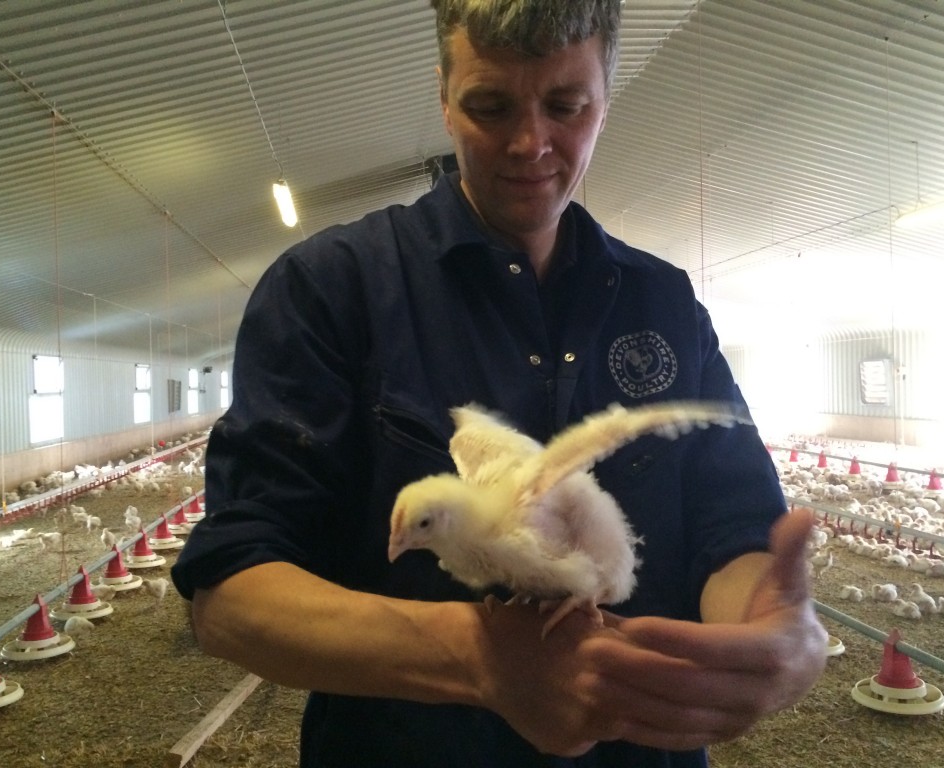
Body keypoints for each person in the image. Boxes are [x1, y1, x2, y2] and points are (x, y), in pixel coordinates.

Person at [171, 1, 827, 765]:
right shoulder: (332, 290)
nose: (529, 142)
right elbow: (230, 595)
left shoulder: (666, 303)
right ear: (444, 102)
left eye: (564, 106)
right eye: (490, 105)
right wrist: (479, 658)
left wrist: (771, 630)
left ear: (605, 104)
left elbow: (734, 529)